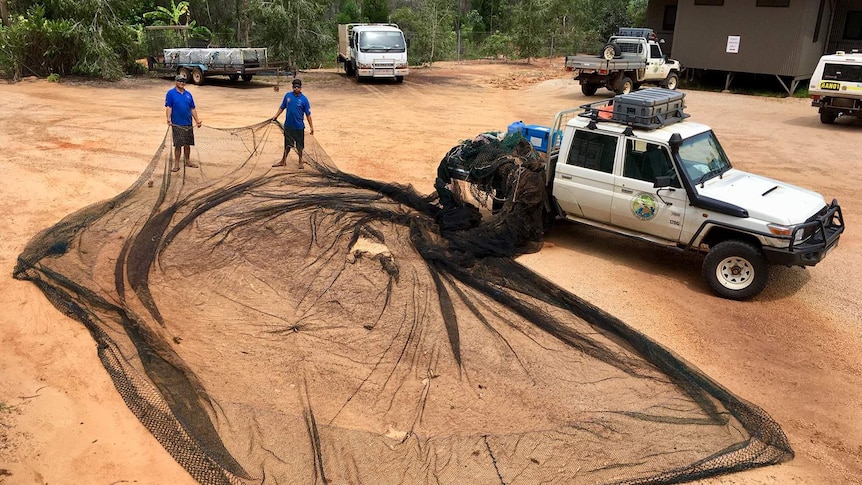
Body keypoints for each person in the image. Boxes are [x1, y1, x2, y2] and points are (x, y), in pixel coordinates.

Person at [272, 78, 314, 169]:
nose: (296, 89)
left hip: (299, 127)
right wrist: (276, 116)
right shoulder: (288, 96)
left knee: (299, 145)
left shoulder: (304, 100)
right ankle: (283, 161)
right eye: (294, 87)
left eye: (298, 87)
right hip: (288, 126)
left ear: (301, 88)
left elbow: (308, 115)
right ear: (292, 87)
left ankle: (300, 161)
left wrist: (311, 127)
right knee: (287, 144)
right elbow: (282, 107)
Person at [165, 74, 203, 172]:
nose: (182, 83)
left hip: (188, 123)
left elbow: (192, 108)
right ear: (176, 81)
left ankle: (187, 161)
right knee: (178, 145)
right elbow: (169, 106)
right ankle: (176, 164)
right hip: (177, 123)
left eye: (184, 81)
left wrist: (197, 120)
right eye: (180, 81)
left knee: (187, 144)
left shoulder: (188, 94)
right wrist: (168, 118)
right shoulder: (171, 93)